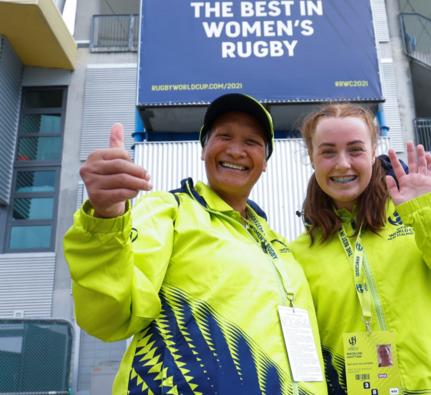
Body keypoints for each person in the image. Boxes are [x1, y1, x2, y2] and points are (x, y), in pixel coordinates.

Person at [64, 93, 327, 394]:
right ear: (203, 149)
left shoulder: (279, 246)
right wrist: (107, 217)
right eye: (224, 135)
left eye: (252, 142)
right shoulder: (169, 211)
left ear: (265, 161)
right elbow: (111, 314)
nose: (236, 150)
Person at [290, 104, 431, 394]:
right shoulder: (300, 253)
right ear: (311, 157)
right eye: (328, 151)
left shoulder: (429, 205)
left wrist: (424, 215)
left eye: (355, 149)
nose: (342, 164)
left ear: (373, 148)